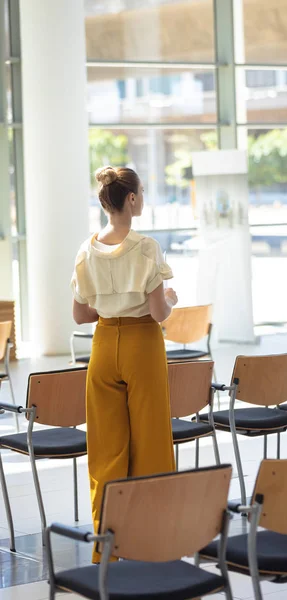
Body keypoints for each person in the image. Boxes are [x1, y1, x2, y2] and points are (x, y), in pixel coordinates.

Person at [71, 166, 177, 563]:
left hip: (102, 349)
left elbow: (81, 316)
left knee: (105, 454)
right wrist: (170, 297)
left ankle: (107, 553)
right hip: (142, 344)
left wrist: (110, 308)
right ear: (131, 200)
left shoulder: (86, 250)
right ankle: (152, 548)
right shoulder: (146, 247)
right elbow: (158, 313)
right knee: (151, 446)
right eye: (142, 192)